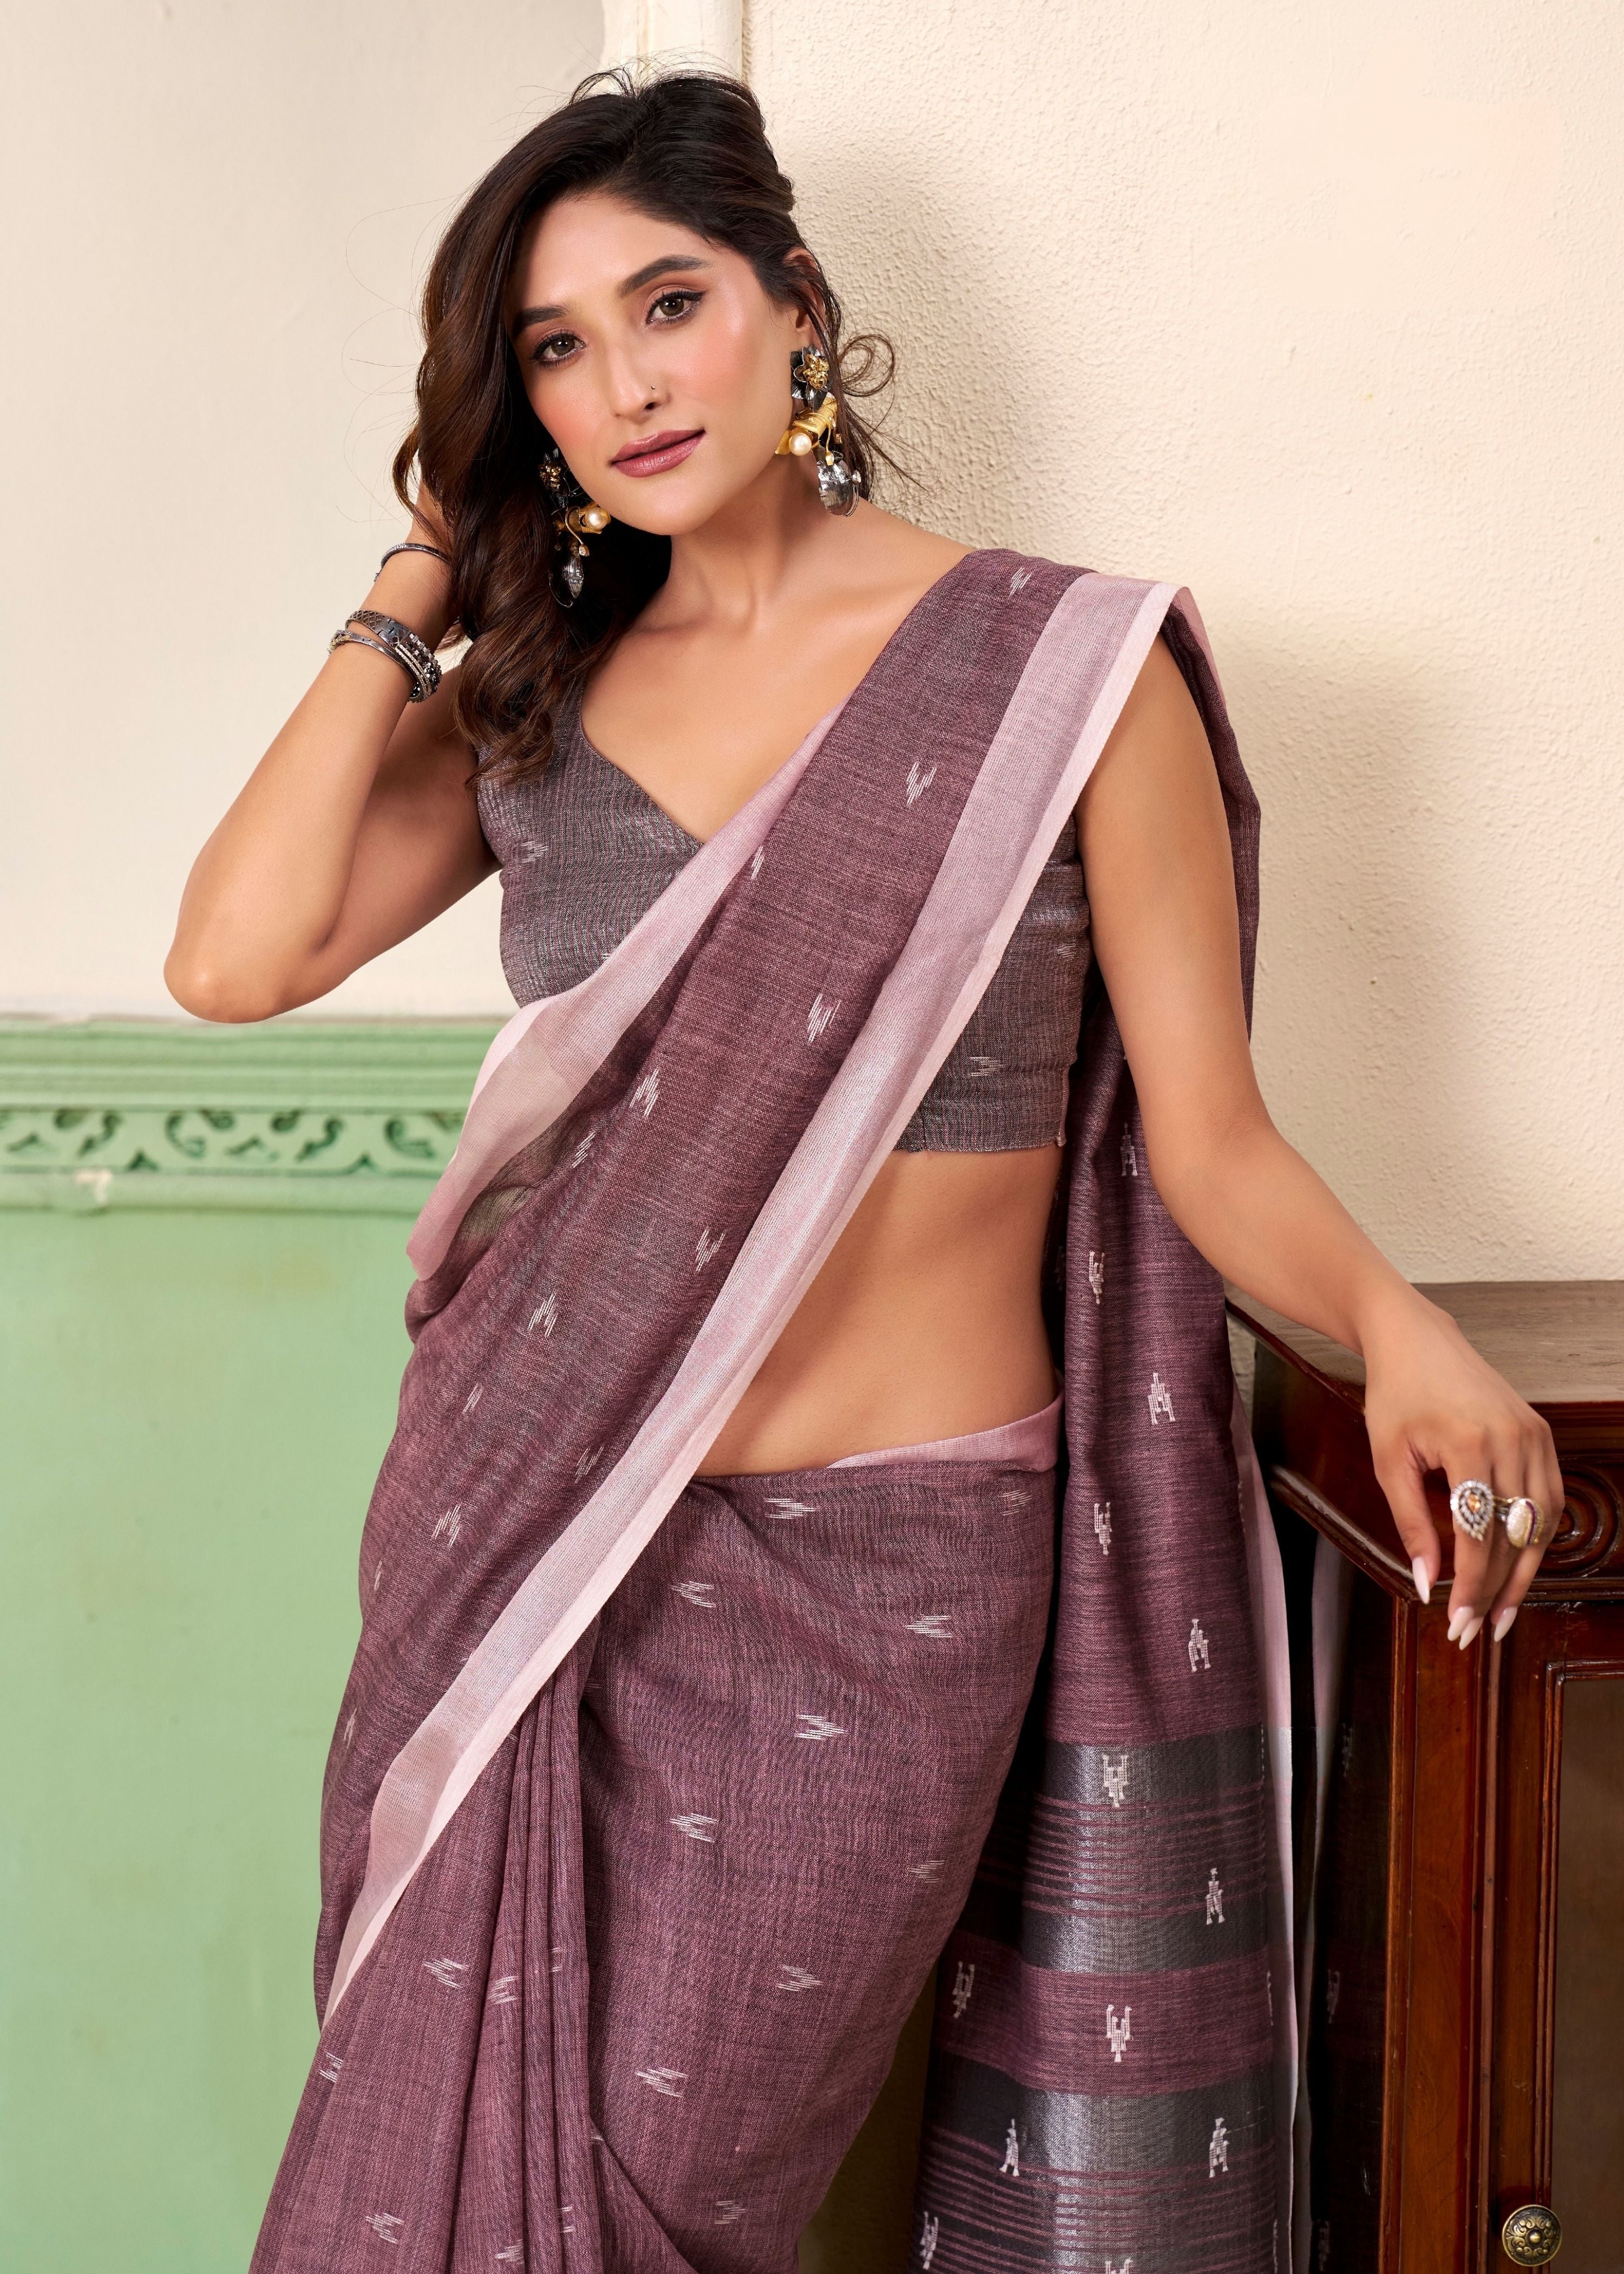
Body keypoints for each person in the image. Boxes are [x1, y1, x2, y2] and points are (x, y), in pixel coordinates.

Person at [166, 64, 1563, 2274]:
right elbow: (233, 957)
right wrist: (413, 583)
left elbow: (1209, 1133)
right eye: (553, 348)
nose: (624, 382)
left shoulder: (1068, 674)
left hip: (894, 1570)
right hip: (527, 1537)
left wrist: (1402, 1328)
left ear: (796, 307)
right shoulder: (539, 694)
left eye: (670, 302)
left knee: (662, 2199)